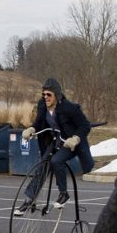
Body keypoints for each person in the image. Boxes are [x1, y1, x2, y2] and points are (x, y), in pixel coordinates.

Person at [14, 78, 94, 215]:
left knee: (56, 161)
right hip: (55, 141)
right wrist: (32, 129)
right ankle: (29, 200)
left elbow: (85, 125)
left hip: (71, 143)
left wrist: (75, 138)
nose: (45, 97)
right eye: (44, 94)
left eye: (48, 95)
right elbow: (39, 122)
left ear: (56, 94)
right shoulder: (42, 106)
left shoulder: (69, 108)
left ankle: (64, 194)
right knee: (42, 166)